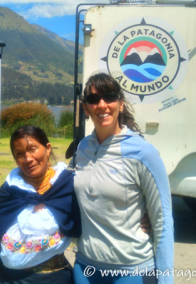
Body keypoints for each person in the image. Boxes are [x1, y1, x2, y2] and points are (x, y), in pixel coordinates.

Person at [73, 73, 174, 284]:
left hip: (131, 270)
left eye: (109, 97)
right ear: (86, 108)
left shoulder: (143, 153)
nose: (102, 105)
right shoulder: (82, 149)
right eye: (93, 100)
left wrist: (165, 280)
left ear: (121, 104)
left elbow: (163, 221)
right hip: (85, 267)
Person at [0, 125, 81, 284]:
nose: (28, 159)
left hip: (55, 279)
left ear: (47, 148)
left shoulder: (66, 186)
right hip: (9, 279)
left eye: (32, 149)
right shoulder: (9, 191)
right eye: (20, 154)